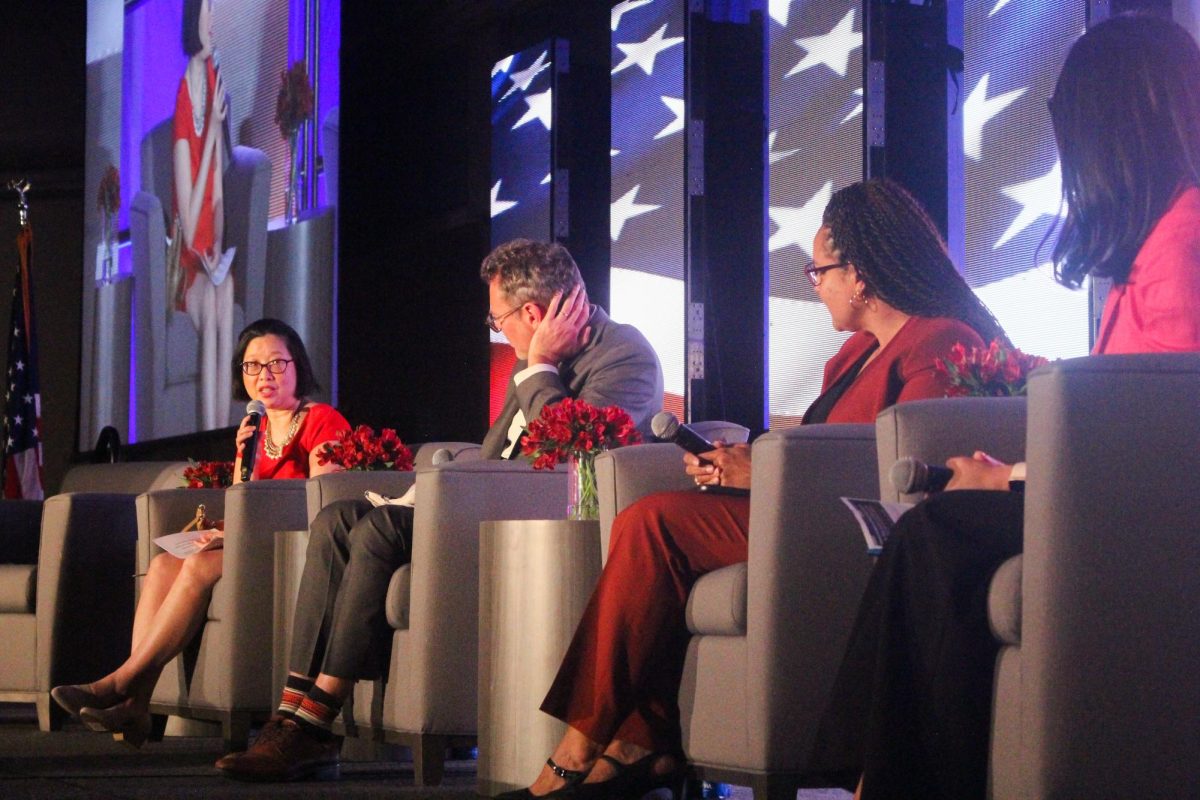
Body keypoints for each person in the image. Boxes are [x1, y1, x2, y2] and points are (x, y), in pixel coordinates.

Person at [504, 179, 1008, 800]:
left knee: (652, 523)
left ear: (861, 274)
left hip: (853, 526)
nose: (813, 283)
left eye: (819, 269)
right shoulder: (849, 357)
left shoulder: (936, 341)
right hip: (793, 512)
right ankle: (632, 746)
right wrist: (739, 463)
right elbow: (818, 448)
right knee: (649, 520)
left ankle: (578, 754)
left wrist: (764, 471)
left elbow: (913, 471)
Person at [810, 14, 1200, 800]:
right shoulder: (1154, 243)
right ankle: (866, 778)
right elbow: (1118, 424)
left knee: (939, 530)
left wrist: (1017, 484)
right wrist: (1015, 470)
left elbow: (1166, 435)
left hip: (1150, 514)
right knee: (930, 526)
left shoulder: (1183, 243)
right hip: (1118, 497)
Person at [215, 239, 664, 782]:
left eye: (499, 320)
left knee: (380, 528)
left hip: (542, 518)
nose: (500, 333)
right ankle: (289, 713)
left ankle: (315, 723)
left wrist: (540, 364)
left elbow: (570, 450)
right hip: (486, 496)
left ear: (533, 314)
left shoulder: (623, 355)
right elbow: (498, 448)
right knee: (337, 519)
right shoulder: (534, 361)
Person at [50, 319, 349, 747]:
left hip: (292, 547)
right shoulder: (253, 432)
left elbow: (323, 500)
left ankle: (121, 682)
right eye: (252, 366)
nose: (264, 376)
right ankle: (139, 706)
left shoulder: (321, 419)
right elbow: (245, 500)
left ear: (298, 365)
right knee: (161, 564)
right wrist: (232, 512)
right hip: (250, 538)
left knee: (195, 565)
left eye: (276, 364)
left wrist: (240, 526)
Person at [173, 0, 235, 431]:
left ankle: (229, 433)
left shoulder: (212, 82)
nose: (213, 22)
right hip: (186, 268)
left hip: (208, 261)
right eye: (207, 12)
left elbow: (215, 209)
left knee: (225, 288)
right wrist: (210, 132)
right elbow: (189, 216)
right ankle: (211, 436)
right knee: (211, 301)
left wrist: (216, 256)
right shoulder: (183, 104)